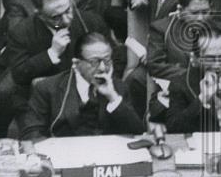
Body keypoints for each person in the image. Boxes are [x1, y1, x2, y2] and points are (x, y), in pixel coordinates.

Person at [0, 0, 110, 132]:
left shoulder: (92, 22)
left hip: (89, 93)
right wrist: (51, 53)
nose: (67, 20)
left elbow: (112, 57)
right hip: (43, 100)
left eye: (68, 10)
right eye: (56, 17)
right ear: (39, 14)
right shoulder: (21, 32)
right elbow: (19, 74)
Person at [20, 32, 148, 140]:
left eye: (107, 60)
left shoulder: (118, 88)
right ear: (76, 63)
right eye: (94, 62)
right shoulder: (47, 88)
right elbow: (32, 134)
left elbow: (137, 133)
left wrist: (113, 97)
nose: (103, 68)